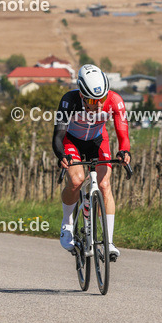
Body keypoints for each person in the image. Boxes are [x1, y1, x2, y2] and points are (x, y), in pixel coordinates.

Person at [52, 64, 131, 261]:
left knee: (104, 185)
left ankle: (109, 241)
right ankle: (67, 223)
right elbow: (58, 135)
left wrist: (124, 151)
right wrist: (62, 155)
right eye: (91, 101)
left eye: (101, 100)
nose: (97, 106)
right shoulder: (69, 100)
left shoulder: (114, 100)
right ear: (81, 94)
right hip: (73, 142)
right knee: (77, 180)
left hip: (98, 141)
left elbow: (122, 130)